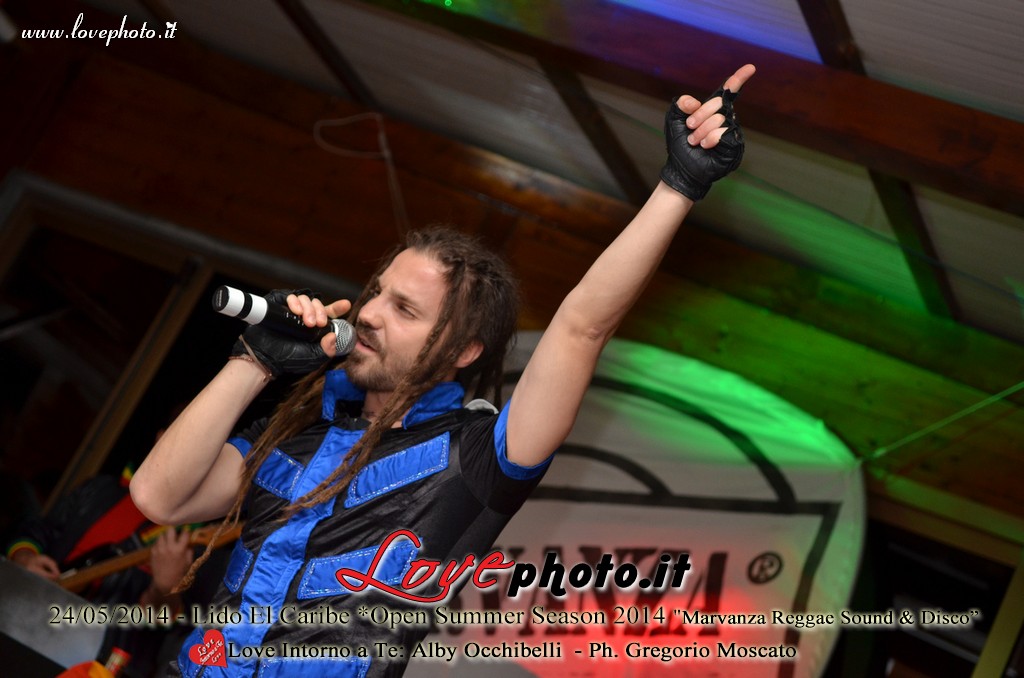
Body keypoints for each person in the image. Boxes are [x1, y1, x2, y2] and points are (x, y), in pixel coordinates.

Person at [130, 64, 756, 677]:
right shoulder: (296, 433)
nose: (369, 313)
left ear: (464, 351)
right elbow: (159, 497)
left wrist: (679, 184)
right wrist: (253, 362)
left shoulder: (475, 457)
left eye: (404, 309)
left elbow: (580, 327)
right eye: (378, 292)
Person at [7, 468, 195, 677]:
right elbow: (40, 529)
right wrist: (24, 556)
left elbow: (167, 629)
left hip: (93, 662)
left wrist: (166, 589)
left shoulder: (191, 538)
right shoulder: (99, 488)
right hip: (27, 625)